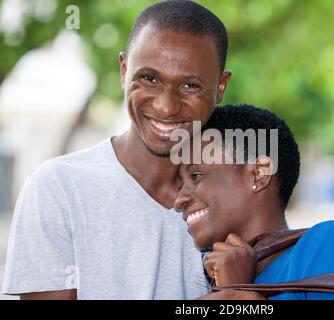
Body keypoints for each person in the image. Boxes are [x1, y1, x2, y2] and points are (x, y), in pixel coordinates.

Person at [2, 1, 232, 299]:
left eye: (190, 86)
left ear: (220, 88)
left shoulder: (233, 197)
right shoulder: (58, 189)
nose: (166, 106)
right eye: (149, 78)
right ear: (124, 71)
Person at [174, 104, 334, 300]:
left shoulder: (329, 244)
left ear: (259, 174)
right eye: (180, 184)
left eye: (196, 175)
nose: (179, 200)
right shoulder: (211, 275)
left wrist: (237, 294)